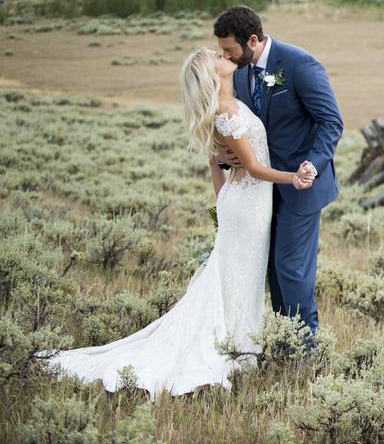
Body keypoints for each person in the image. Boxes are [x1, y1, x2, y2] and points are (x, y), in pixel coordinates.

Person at [45, 48, 317, 399]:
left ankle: (240, 346)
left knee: (240, 274)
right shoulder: (223, 113)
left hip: (245, 205)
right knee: (235, 274)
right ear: (211, 72)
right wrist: (292, 177)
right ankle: (234, 349)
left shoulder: (228, 104)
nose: (221, 53)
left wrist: (223, 203)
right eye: (214, 55)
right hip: (247, 206)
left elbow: (218, 165)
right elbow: (251, 168)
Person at [212, 5, 343, 338]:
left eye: (229, 50)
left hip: (301, 186)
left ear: (252, 40)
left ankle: (305, 347)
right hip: (261, 190)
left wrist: (313, 164)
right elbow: (245, 129)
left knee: (291, 269)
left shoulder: (299, 64)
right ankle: (286, 340)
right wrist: (229, 156)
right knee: (271, 269)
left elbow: (331, 122)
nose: (224, 57)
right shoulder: (239, 72)